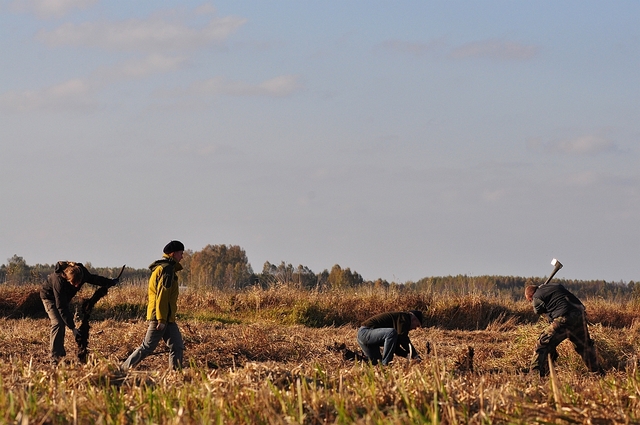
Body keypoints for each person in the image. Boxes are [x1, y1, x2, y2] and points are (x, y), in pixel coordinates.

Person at [121, 240, 185, 372]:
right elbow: (162, 296)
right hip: (160, 317)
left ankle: (176, 374)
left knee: (177, 345)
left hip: (167, 317)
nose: (182, 257)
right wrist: (161, 320)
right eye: (180, 253)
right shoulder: (166, 270)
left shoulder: (168, 269)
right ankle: (123, 369)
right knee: (147, 347)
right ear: (172, 254)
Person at [40, 261, 118, 365]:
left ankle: (60, 356)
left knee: (62, 321)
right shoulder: (58, 281)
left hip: (63, 298)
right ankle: (55, 359)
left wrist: (109, 282)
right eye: (73, 283)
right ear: (67, 278)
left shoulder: (82, 273)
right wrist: (73, 328)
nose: (77, 286)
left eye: (78, 283)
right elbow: (61, 306)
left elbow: (94, 279)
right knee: (58, 323)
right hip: (49, 298)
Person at [525, 284, 601, 377]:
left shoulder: (536, 296)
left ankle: (535, 376)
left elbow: (538, 310)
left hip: (564, 319)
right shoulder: (554, 286)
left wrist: (534, 300)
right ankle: (597, 373)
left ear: (531, 296)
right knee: (584, 347)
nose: (531, 302)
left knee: (542, 343)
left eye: (529, 300)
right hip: (580, 315)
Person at [356, 310, 423, 365]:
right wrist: (415, 355)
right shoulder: (404, 318)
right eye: (417, 325)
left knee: (375, 363)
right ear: (414, 318)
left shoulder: (399, 323)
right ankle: (386, 364)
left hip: (365, 336)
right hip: (365, 332)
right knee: (391, 332)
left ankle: (350, 355)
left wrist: (410, 356)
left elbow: (395, 348)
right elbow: (403, 338)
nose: (415, 328)